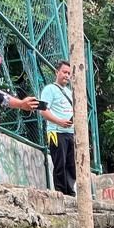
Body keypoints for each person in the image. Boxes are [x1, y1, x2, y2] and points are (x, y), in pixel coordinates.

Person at [38, 61, 76, 195]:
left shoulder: (70, 92)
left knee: (72, 165)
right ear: (57, 72)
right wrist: (59, 121)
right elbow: (42, 111)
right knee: (60, 164)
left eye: (69, 73)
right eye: (64, 72)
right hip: (56, 132)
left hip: (70, 133)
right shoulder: (49, 89)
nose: (67, 75)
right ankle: (61, 193)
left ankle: (70, 193)